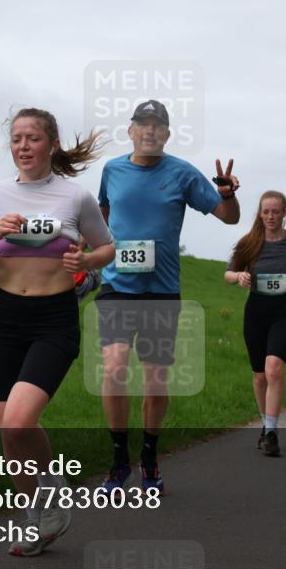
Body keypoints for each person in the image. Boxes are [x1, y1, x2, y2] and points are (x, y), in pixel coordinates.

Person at [0, 108, 116, 557]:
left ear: (51, 144)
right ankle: (40, 516)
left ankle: (48, 508)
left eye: (32, 138)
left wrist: (85, 262)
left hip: (54, 318)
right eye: (16, 139)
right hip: (5, 317)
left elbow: (106, 247)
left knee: (18, 420)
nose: (23, 146)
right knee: (11, 430)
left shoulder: (75, 198)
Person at [97, 99, 240, 493]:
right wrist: (95, 254)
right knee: (113, 368)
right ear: (130, 131)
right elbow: (103, 215)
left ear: (167, 134)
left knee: (156, 381)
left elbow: (229, 218)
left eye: (157, 126)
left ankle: (148, 456)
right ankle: (117, 459)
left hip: (161, 291)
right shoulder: (112, 170)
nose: (149, 131)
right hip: (116, 286)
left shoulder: (182, 174)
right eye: (142, 124)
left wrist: (227, 194)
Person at [224, 191, 286, 456]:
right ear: (260, 214)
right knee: (260, 375)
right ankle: (265, 424)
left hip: (284, 311)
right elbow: (227, 273)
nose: (271, 217)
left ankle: (272, 433)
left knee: (274, 368)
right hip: (256, 312)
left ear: (285, 213)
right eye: (266, 212)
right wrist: (239, 276)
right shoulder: (250, 242)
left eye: (276, 212)